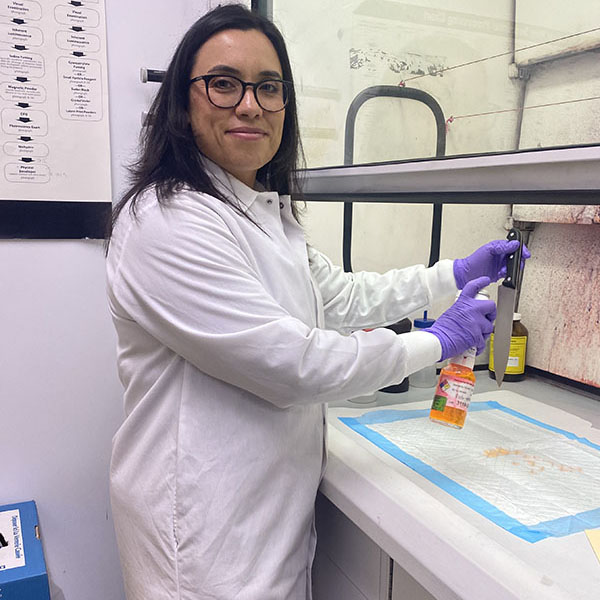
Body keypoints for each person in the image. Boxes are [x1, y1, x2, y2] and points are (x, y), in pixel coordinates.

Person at [105, 4, 529, 599]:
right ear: (182, 101)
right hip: (201, 541)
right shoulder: (168, 221)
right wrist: (437, 340)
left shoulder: (260, 213)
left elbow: (342, 297)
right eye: (223, 84)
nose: (249, 104)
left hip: (263, 524)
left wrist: (450, 276)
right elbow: (295, 365)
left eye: (268, 87)